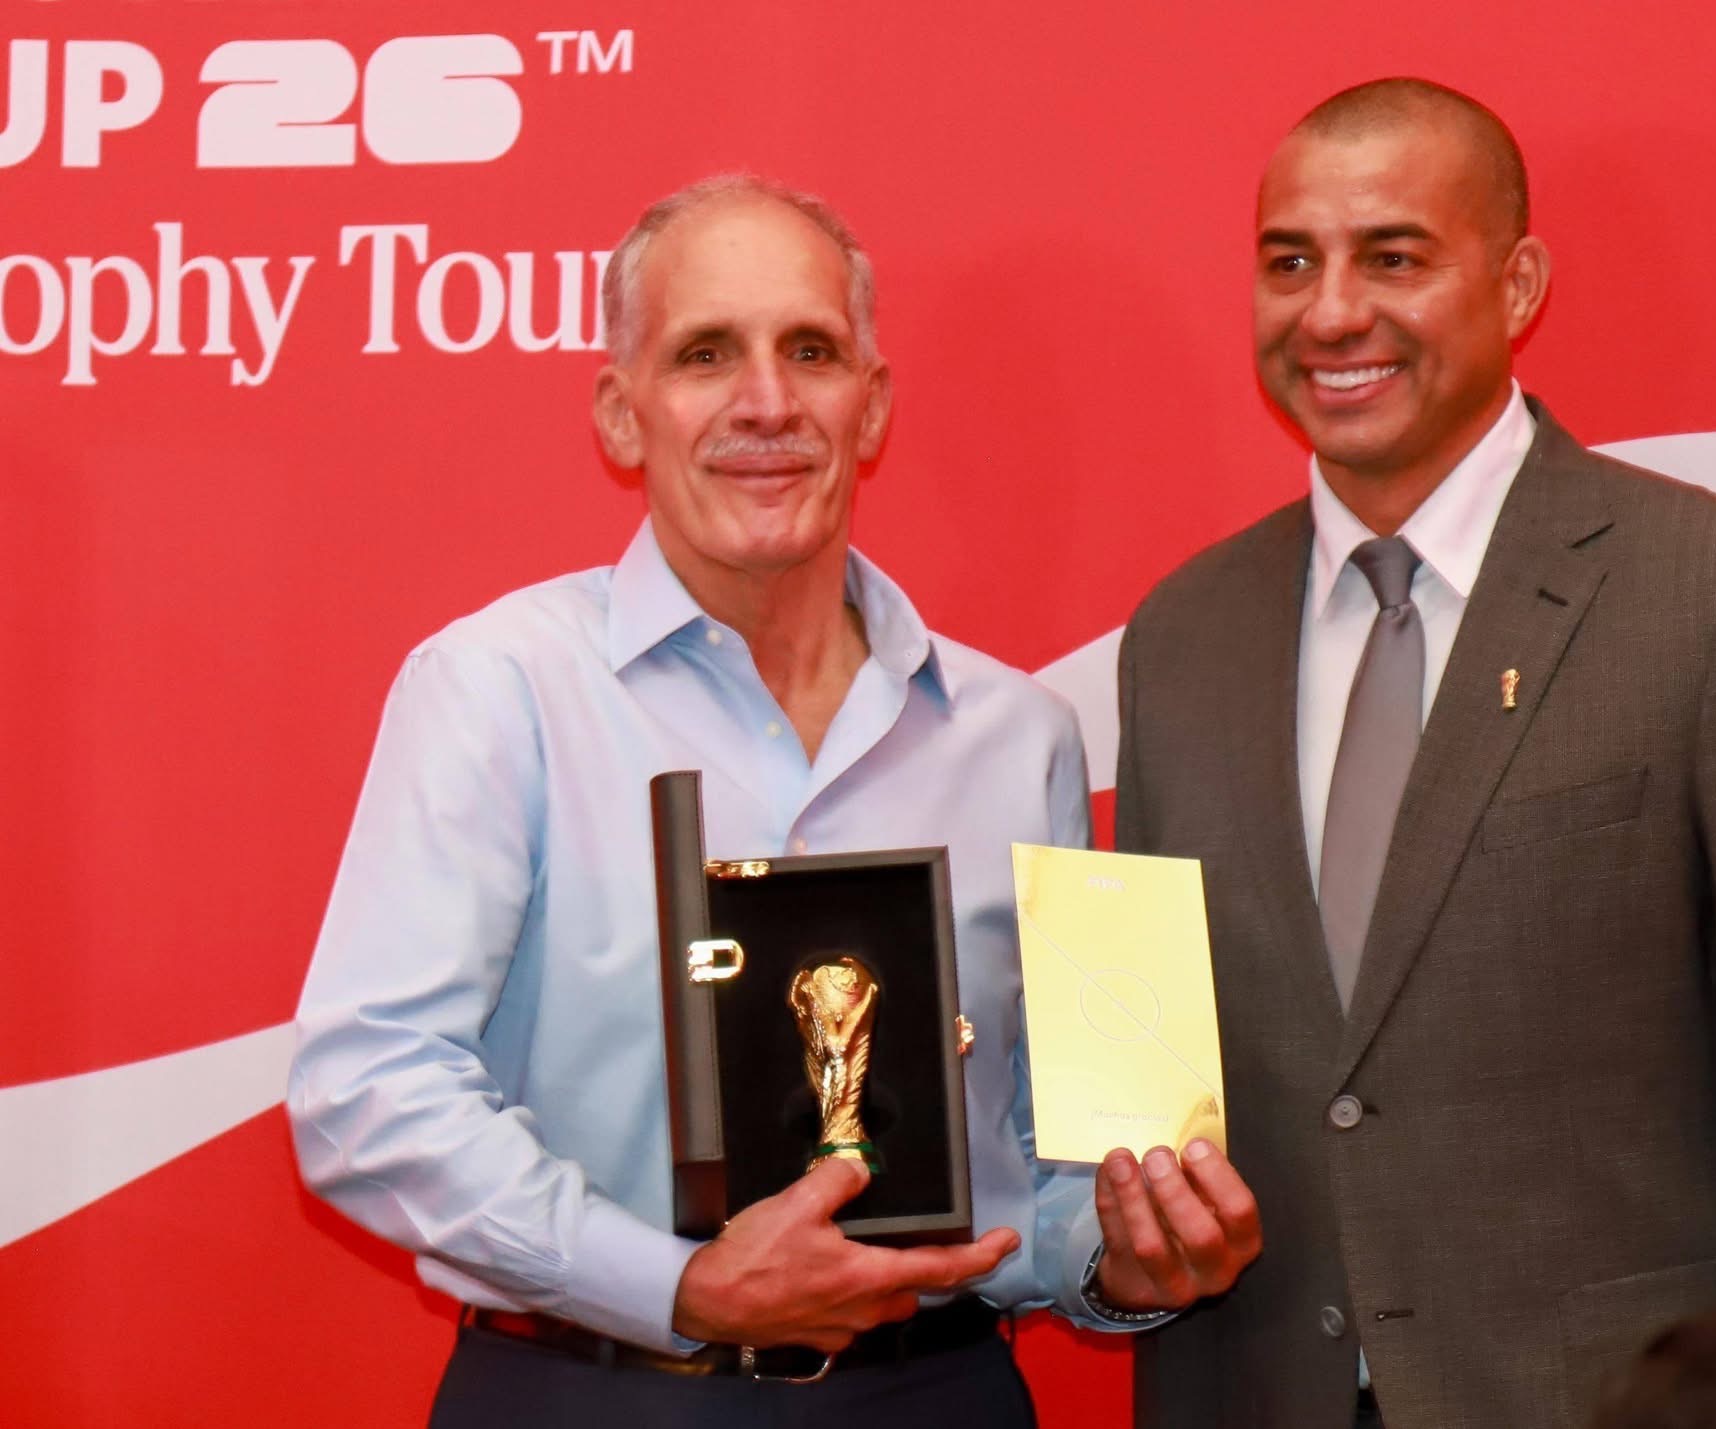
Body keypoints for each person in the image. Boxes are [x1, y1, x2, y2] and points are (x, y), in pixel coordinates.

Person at [289, 174, 1259, 1428]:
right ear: (621, 413)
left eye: (810, 350)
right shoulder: (500, 689)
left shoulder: (1019, 737)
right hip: (592, 1395)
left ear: (872, 403)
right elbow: (367, 1087)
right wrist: (677, 1286)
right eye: (705, 354)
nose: (766, 402)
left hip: (939, 1397)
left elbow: (1051, 1155)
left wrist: (1118, 1256)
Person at [1113, 79, 1716, 1429]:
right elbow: (1161, 1100)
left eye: (1393, 258)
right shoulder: (1179, 640)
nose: (1330, 313)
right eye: (1289, 263)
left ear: (1517, 285)